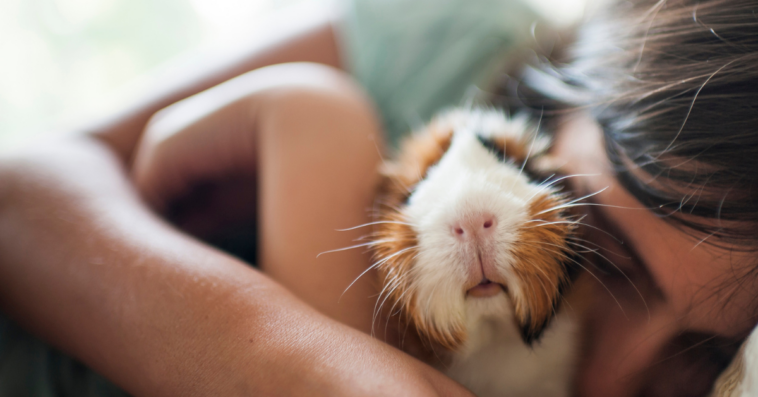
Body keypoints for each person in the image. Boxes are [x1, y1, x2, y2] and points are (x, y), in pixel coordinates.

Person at [0, 1, 756, 397]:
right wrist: (288, 363)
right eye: (608, 257)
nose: (608, 383)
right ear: (563, 98)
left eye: (709, 359)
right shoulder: (445, 36)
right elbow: (22, 190)